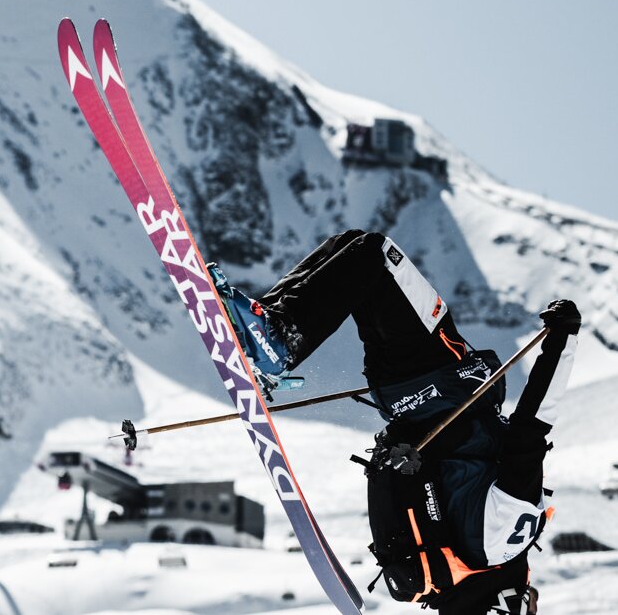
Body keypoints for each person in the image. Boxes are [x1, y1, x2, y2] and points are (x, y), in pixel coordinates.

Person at [224, 229, 580, 615]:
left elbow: (533, 424)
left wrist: (564, 340)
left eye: (530, 604)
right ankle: (261, 330)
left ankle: (273, 342)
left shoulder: (512, 533)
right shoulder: (443, 580)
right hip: (396, 394)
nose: (533, 595)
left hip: (440, 372)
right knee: (354, 252)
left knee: (375, 253)